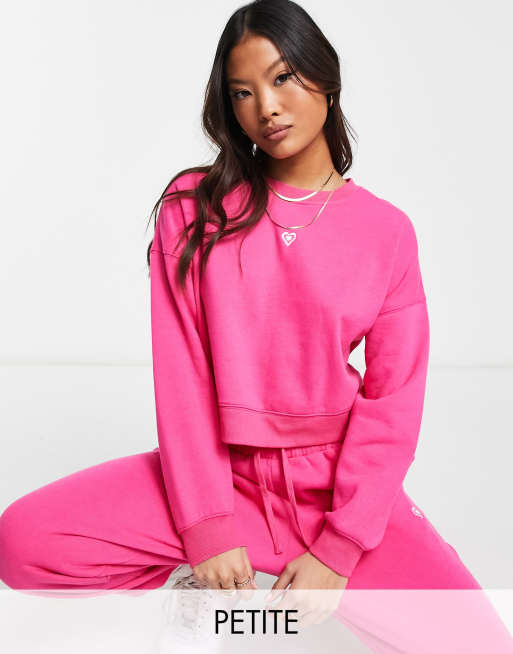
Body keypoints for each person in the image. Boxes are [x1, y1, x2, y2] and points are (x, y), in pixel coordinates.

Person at [1, 0, 512, 650]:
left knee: (481, 644)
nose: (266, 107)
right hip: (219, 477)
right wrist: (208, 527)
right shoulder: (195, 208)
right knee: (23, 541)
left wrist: (339, 548)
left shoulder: (385, 232)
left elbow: (394, 401)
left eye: (282, 78)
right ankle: (199, 595)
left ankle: (261, 607)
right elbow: (183, 374)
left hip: (334, 489)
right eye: (242, 92)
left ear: (325, 78)